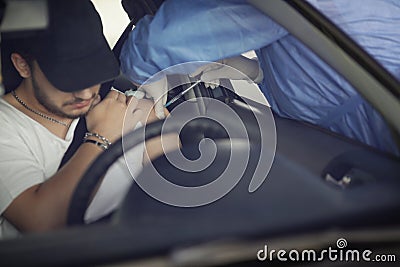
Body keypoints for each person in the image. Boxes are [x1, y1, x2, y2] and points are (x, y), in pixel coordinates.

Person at [120, 0, 400, 156]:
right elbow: (312, 54)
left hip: (375, 118)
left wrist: (135, 73)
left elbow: (165, 40)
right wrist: (255, 73)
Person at [0, 0, 176, 239]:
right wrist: (101, 137)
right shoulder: (7, 127)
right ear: (22, 65)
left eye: (93, 73)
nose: (85, 94)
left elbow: (177, 200)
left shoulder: (131, 108)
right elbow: (42, 223)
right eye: (68, 81)